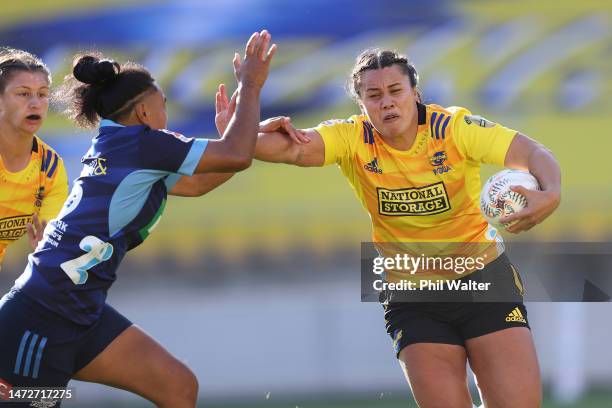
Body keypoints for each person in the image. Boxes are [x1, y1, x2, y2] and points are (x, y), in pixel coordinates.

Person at [219, 48, 561, 408]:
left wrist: (551, 194)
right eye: (374, 95)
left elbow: (534, 153)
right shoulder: (351, 139)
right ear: (361, 104)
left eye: (396, 91)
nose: (387, 103)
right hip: (413, 296)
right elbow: (287, 149)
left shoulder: (454, 128)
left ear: (415, 93)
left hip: (484, 279)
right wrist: (238, 130)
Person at [0, 30, 276, 407]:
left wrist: (241, 131)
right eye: (164, 103)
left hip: (81, 311)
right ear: (144, 112)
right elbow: (236, 154)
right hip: (42, 317)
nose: (167, 112)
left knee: (178, 386)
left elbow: (200, 184)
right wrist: (250, 84)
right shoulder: (144, 143)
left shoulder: (120, 143)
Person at [0, 48, 68, 270]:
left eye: (42, 94)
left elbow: (50, 245)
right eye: (23, 93)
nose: (35, 103)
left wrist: (46, 247)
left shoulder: (50, 168)